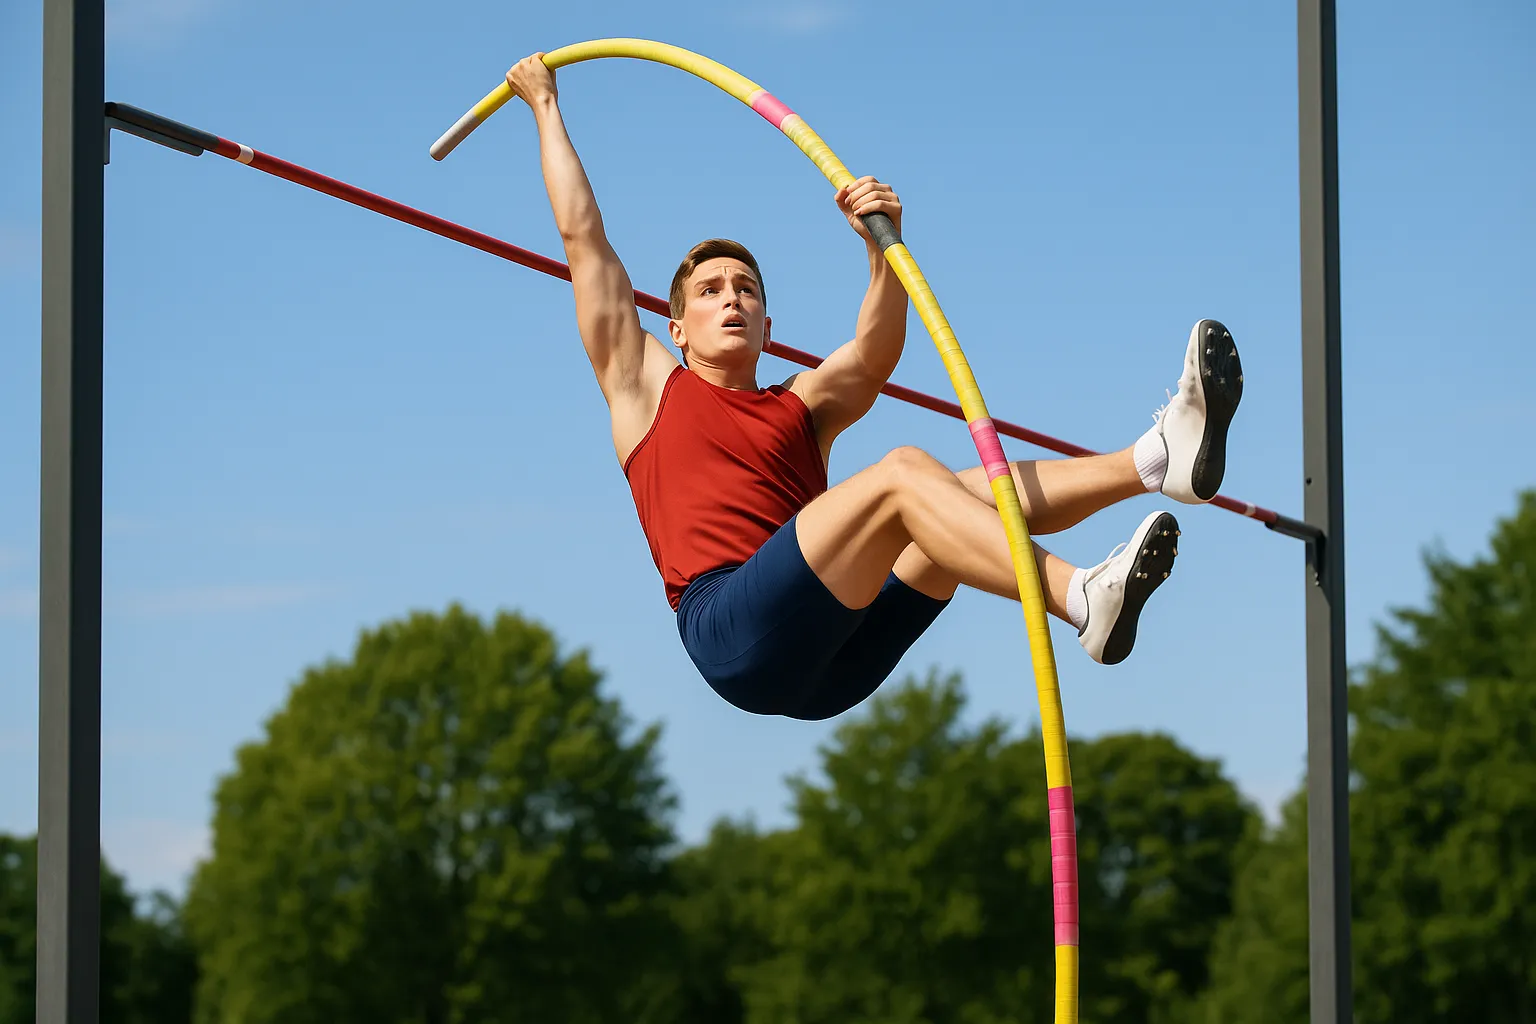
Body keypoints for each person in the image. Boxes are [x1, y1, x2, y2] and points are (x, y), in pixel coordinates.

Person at [504, 54, 1244, 721]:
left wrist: (880, 248)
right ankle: (1082, 597)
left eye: (747, 290)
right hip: (734, 634)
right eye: (710, 291)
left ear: (767, 325)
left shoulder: (802, 407)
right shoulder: (643, 388)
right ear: (676, 327)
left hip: (834, 652)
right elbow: (583, 239)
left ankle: (1155, 461)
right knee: (901, 477)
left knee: (955, 493)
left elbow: (874, 352)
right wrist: (543, 104)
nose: (731, 299)